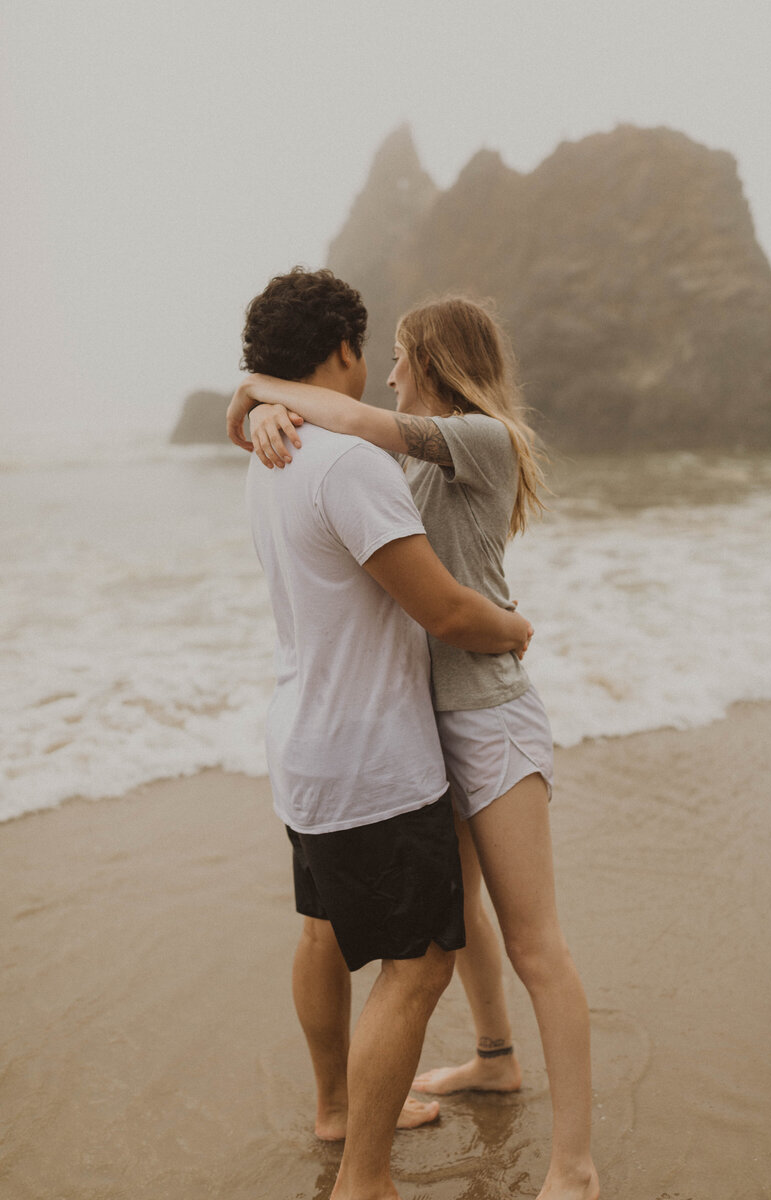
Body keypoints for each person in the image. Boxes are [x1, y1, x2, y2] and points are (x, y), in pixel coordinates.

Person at [228, 293, 600, 1200]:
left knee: (533, 943)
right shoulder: (392, 458)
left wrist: (257, 388)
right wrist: (258, 407)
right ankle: (496, 1059)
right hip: (427, 718)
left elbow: (351, 419)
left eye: (403, 355)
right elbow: (326, 441)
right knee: (457, 917)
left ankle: (576, 1167)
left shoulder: (483, 438)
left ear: (435, 363)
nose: (391, 370)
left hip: (491, 713)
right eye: (381, 353)